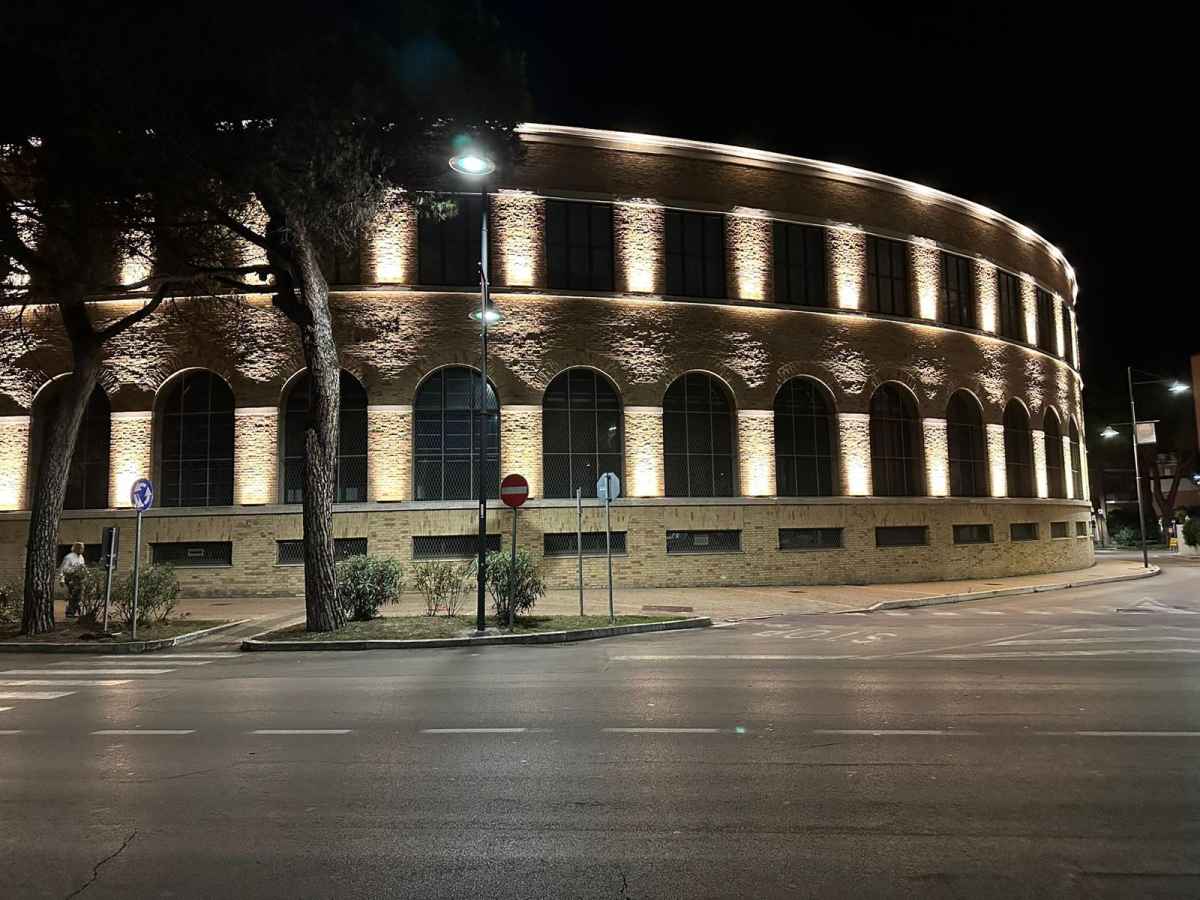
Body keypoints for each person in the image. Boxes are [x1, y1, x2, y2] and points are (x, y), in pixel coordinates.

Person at [58, 542, 87, 618]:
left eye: (83, 548)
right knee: (74, 595)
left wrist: (87, 575)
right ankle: (70, 611)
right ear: (76, 548)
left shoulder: (81, 557)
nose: (82, 550)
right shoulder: (69, 557)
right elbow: (62, 569)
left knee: (79, 595)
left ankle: (75, 610)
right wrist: (61, 579)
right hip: (70, 578)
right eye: (81, 548)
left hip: (79, 578)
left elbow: (83, 567)